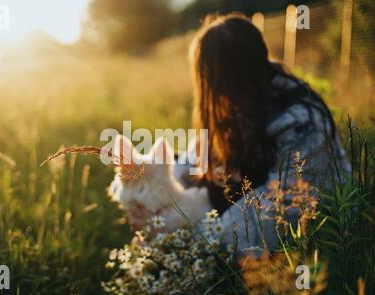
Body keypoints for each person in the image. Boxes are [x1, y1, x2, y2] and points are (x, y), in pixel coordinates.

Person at [127, 13, 350, 253]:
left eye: (222, 82)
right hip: (234, 225)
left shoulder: (301, 122)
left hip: (314, 244)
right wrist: (155, 207)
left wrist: (185, 239)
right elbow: (194, 163)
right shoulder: (236, 101)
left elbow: (286, 209)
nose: (221, 95)